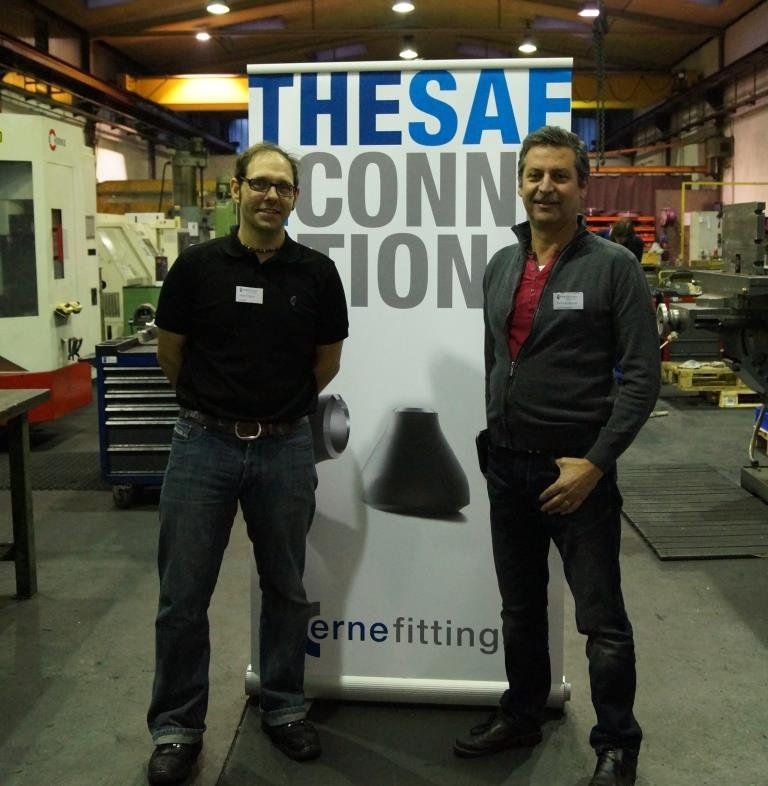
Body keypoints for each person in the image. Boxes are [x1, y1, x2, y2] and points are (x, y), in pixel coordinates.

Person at [453, 126, 660, 786]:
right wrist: (494, 438)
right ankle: (523, 713)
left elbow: (643, 377)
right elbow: (497, 358)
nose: (546, 187)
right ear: (519, 184)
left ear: (582, 186)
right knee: (519, 608)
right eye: (534, 175)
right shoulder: (500, 264)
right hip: (508, 465)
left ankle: (618, 742)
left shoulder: (614, 266)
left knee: (601, 620)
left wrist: (594, 463)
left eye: (560, 175)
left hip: (577, 472)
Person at [146, 141, 349, 784]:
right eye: (260, 183)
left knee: (286, 587)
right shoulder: (196, 268)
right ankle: (177, 728)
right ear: (236, 189)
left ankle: (284, 706)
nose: (271, 196)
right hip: (202, 444)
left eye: (283, 187)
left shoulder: (316, 274)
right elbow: (171, 352)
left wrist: (277, 410)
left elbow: (327, 361)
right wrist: (215, 406)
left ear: (296, 198)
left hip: (285, 447)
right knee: (183, 595)